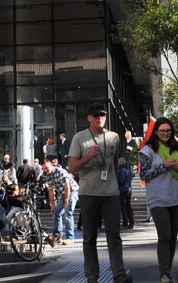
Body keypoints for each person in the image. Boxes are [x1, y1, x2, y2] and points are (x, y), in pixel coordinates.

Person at [68, 102, 132, 283]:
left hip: (111, 193)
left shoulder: (113, 137)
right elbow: (72, 167)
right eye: (96, 116)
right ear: (89, 118)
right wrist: (88, 156)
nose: (100, 118)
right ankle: (92, 277)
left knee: (114, 235)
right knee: (89, 237)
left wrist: (118, 169)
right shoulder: (80, 138)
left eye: (102, 115)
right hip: (88, 193)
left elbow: (113, 163)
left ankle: (119, 275)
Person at [139, 117, 178, 283]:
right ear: (156, 132)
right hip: (158, 199)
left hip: (177, 198)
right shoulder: (148, 150)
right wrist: (163, 166)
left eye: (168, 131)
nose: (165, 134)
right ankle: (164, 273)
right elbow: (143, 174)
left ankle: (167, 271)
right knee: (165, 236)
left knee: (173, 238)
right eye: (162, 131)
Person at [41, 158, 80, 245]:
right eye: (44, 169)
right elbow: (51, 190)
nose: (45, 170)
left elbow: (67, 187)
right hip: (62, 194)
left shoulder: (60, 172)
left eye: (47, 168)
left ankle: (70, 238)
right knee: (57, 213)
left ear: (52, 166)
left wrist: (67, 200)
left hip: (72, 191)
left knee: (68, 212)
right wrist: (52, 205)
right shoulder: (46, 175)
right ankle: (57, 236)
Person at [116, 157, 134, 229]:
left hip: (123, 190)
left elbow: (121, 180)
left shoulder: (122, 170)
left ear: (121, 162)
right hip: (129, 189)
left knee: (123, 206)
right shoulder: (128, 169)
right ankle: (131, 222)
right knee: (128, 206)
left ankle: (125, 222)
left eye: (118, 162)